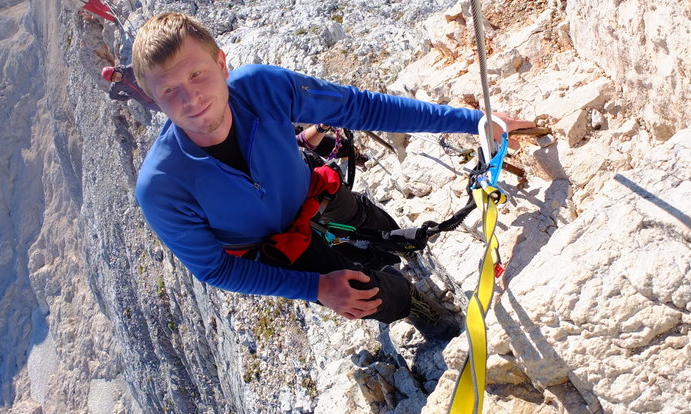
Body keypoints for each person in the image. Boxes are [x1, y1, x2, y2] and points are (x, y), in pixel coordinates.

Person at [131, 12, 535, 336]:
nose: (191, 97)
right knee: (364, 293)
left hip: (309, 190)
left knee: (375, 224)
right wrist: (317, 289)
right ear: (153, 100)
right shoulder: (162, 187)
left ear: (221, 63)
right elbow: (214, 268)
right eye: (169, 90)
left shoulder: (261, 89)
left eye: (197, 74)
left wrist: (476, 123)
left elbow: (361, 107)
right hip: (276, 248)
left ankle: (401, 253)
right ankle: (412, 305)